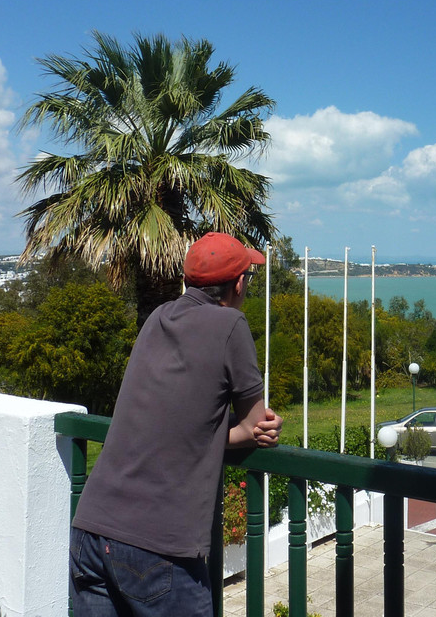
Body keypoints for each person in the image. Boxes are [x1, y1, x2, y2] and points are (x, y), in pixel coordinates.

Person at [69, 232, 283, 616]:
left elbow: (171, 410)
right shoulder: (231, 324)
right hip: (157, 545)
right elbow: (254, 425)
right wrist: (249, 430)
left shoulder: (157, 317)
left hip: (91, 528)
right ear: (237, 284)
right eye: (248, 278)